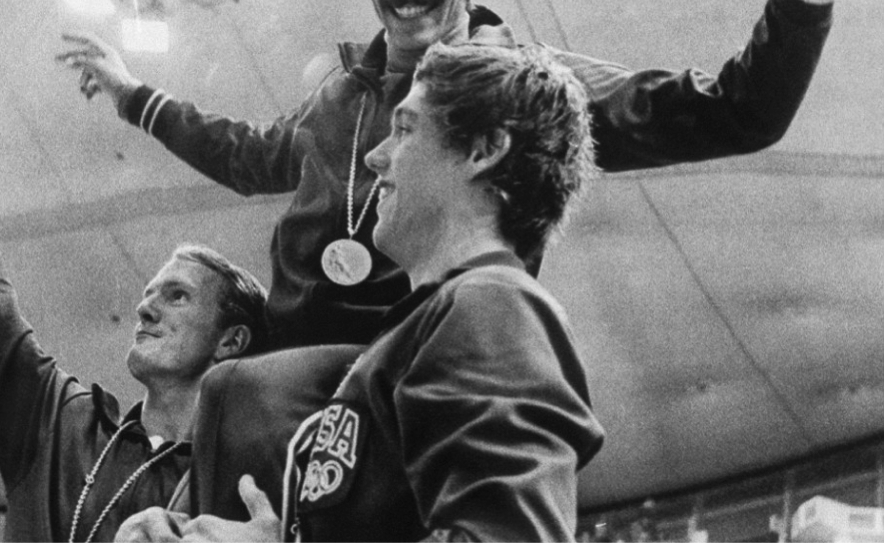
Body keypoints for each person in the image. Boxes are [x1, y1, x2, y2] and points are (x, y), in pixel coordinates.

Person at [58, 0, 873, 350]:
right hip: (292, 424)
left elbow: (738, 112)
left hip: (417, 417)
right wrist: (133, 96)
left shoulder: (524, 90)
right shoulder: (339, 96)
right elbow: (242, 156)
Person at [116, 41, 606, 542]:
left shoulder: (492, 305)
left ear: (483, 150)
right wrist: (179, 531)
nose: (375, 156)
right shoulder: (416, 335)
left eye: (404, 129)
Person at [0, 84, 271, 542]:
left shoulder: (253, 486)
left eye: (176, 296)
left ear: (231, 340)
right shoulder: (64, 424)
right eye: (148, 293)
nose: (144, 308)